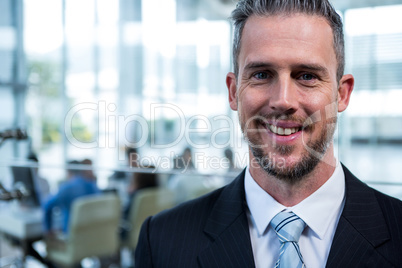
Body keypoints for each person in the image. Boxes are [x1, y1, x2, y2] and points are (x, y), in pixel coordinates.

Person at [135, 0, 402, 267]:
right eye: (262, 74)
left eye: (307, 76)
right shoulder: (162, 241)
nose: (283, 100)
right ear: (233, 91)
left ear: (342, 94)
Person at [43, 160, 100, 235]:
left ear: (68, 172)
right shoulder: (93, 186)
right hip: (92, 234)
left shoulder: (66, 188)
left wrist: (48, 230)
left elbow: (47, 206)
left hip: (72, 236)